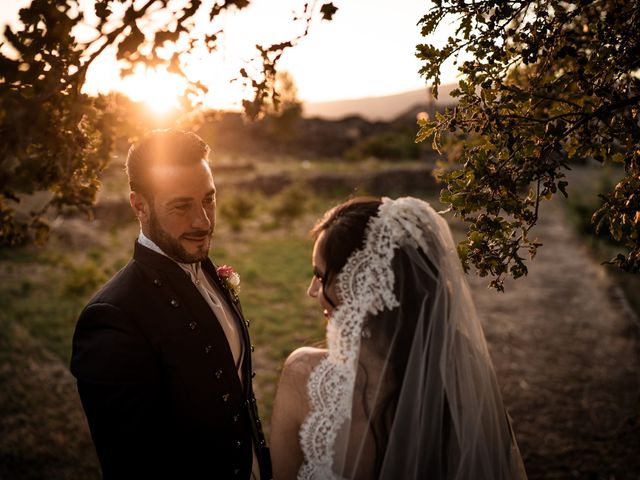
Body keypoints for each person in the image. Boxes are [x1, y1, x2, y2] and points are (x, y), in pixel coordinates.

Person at [270, 196, 527, 479]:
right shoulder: (468, 377)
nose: (311, 291)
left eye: (320, 276)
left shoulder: (303, 376)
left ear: (364, 284)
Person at [70, 129, 271, 480]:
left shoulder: (206, 269)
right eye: (181, 206)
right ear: (139, 206)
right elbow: (131, 466)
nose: (203, 222)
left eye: (208, 199)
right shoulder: (112, 318)